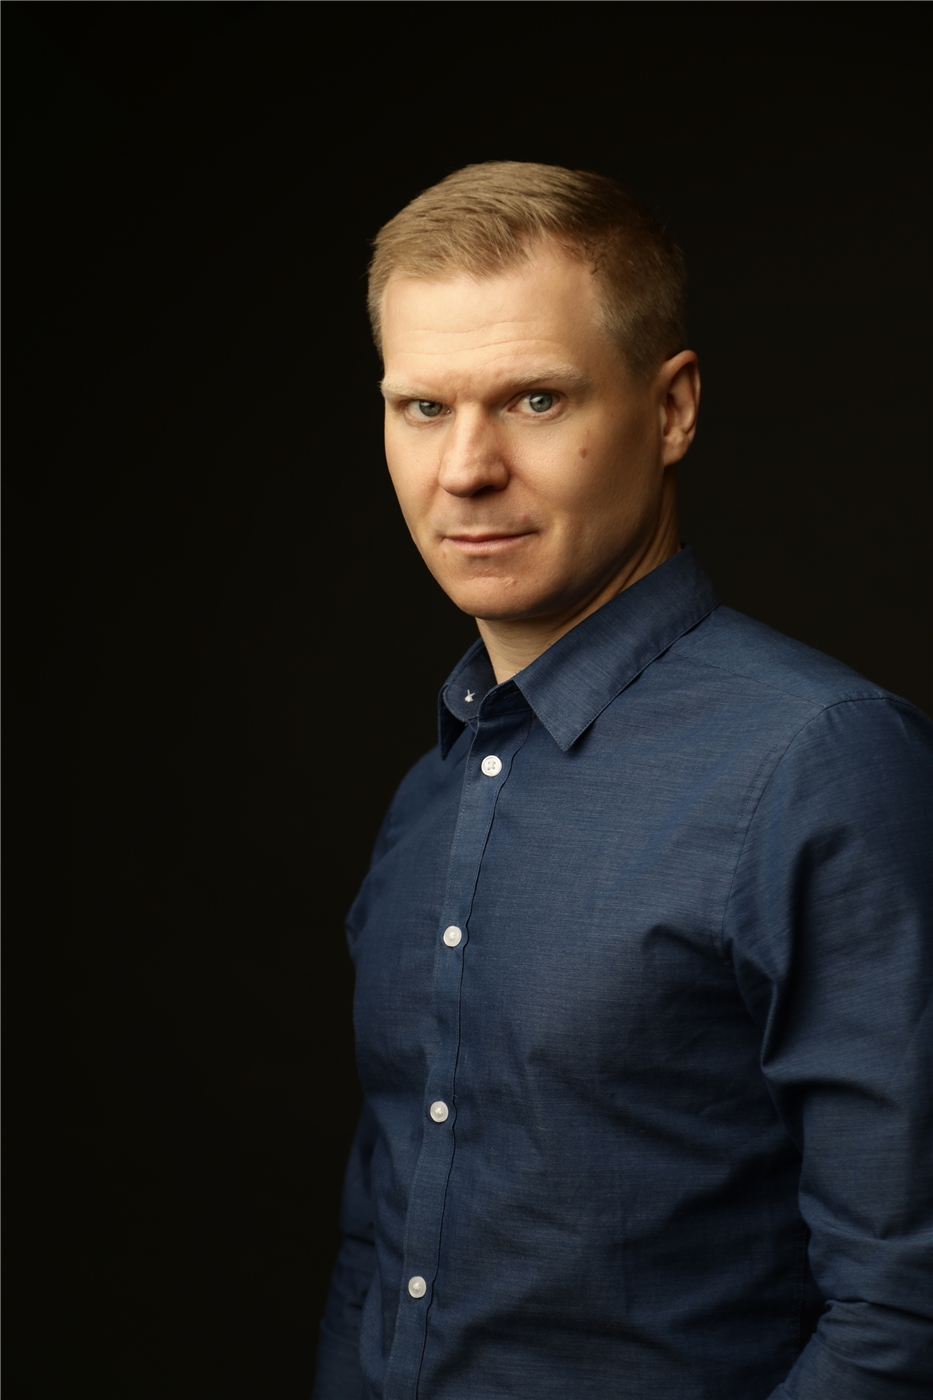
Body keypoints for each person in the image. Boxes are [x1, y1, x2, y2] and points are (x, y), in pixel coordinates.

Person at [313, 162, 932, 1400]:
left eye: (535, 398)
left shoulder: (820, 762)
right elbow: (383, 1251)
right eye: (423, 406)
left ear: (674, 408)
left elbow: (906, 1303)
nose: (465, 467)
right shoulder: (433, 790)